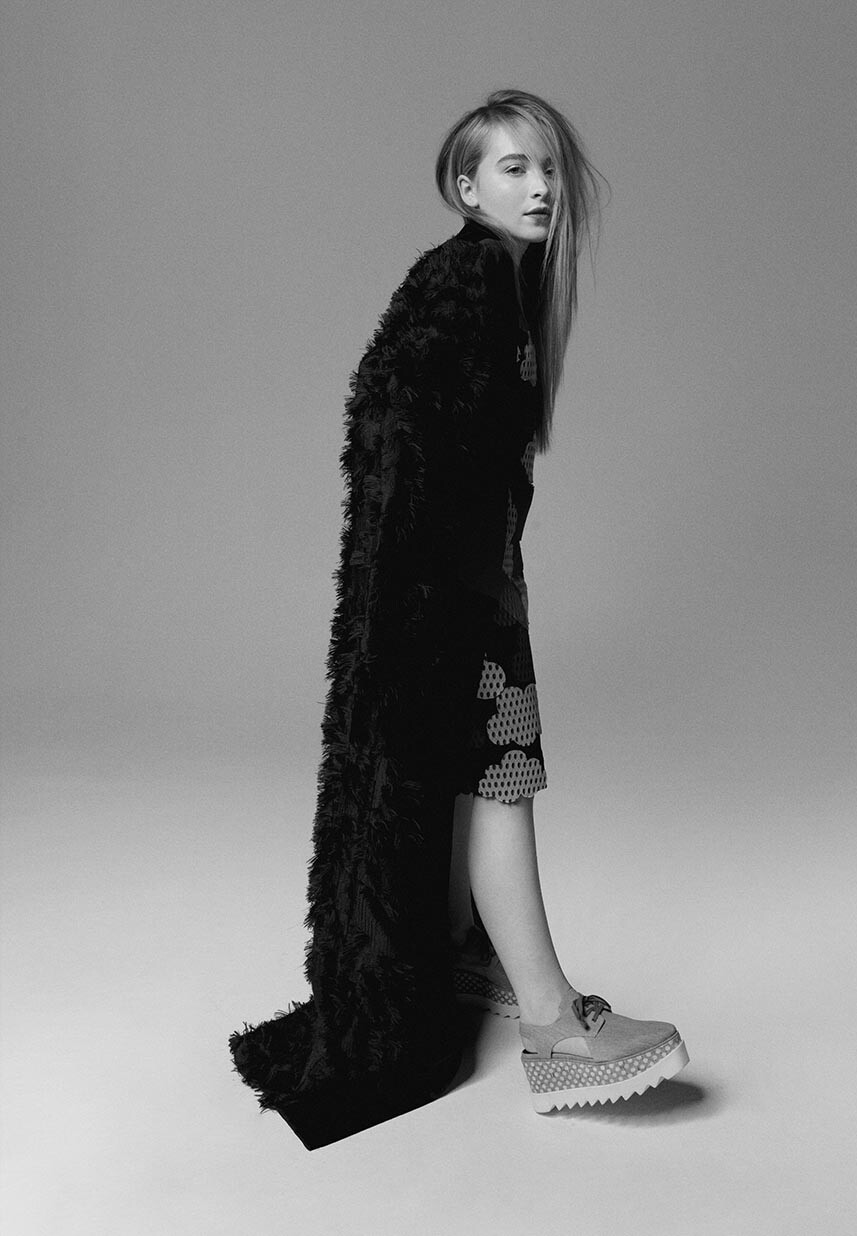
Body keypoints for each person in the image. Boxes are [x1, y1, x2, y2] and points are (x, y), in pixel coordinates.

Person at [229, 89, 688, 1150]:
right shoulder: (466, 282)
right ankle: (552, 1025)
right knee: (502, 776)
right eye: (515, 168)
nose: (542, 186)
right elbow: (396, 443)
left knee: (484, 777)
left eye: (550, 167)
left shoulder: (498, 290)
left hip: (471, 593)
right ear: (466, 186)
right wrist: (443, 606)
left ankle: (480, 962)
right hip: (456, 602)